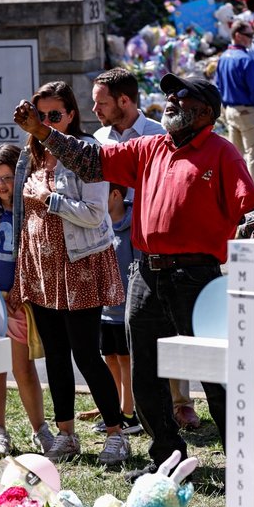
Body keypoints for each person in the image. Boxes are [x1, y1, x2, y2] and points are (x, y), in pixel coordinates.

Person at [12, 73, 254, 479]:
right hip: (146, 274)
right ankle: (166, 458)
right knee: (145, 373)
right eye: (168, 94)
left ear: (204, 112)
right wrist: (44, 132)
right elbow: (90, 160)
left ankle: (243, 464)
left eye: (180, 96)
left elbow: (248, 203)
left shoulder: (221, 153)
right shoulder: (150, 148)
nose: (169, 100)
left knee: (217, 372)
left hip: (197, 277)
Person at [9, 80, 130, 467]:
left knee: (86, 354)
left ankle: (116, 435)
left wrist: (51, 199)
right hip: (41, 269)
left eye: (54, 115)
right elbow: (21, 218)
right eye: (40, 116)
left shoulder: (87, 151)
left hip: (79, 266)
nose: (45, 122)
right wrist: (19, 271)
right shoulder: (30, 155)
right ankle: (66, 435)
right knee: (56, 357)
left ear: (72, 114)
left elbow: (95, 214)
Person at [89, 67, 201, 431]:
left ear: (125, 100)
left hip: (154, 234)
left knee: (169, 321)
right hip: (111, 236)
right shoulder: (99, 140)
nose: (96, 110)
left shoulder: (159, 133)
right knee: (123, 321)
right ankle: (132, 403)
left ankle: (181, 402)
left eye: (101, 103)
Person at [0, 143, 54, 460]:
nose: (0, 184)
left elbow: (39, 257)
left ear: (22, 174)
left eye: (7, 176)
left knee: (24, 369)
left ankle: (40, 429)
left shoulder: (32, 207)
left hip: (22, 301)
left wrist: (20, 290)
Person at [92, 182, 144, 436]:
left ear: (115, 194)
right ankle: (112, 412)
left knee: (126, 360)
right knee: (109, 358)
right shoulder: (97, 223)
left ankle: (129, 415)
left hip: (125, 310)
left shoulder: (134, 225)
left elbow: (137, 266)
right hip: (103, 309)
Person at [216, 20, 254, 190]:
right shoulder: (245, 59)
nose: (251, 39)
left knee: (236, 156)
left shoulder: (223, 57)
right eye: (248, 35)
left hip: (230, 110)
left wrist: (224, 109)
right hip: (248, 112)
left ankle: (235, 192)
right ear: (237, 35)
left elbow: (218, 86)